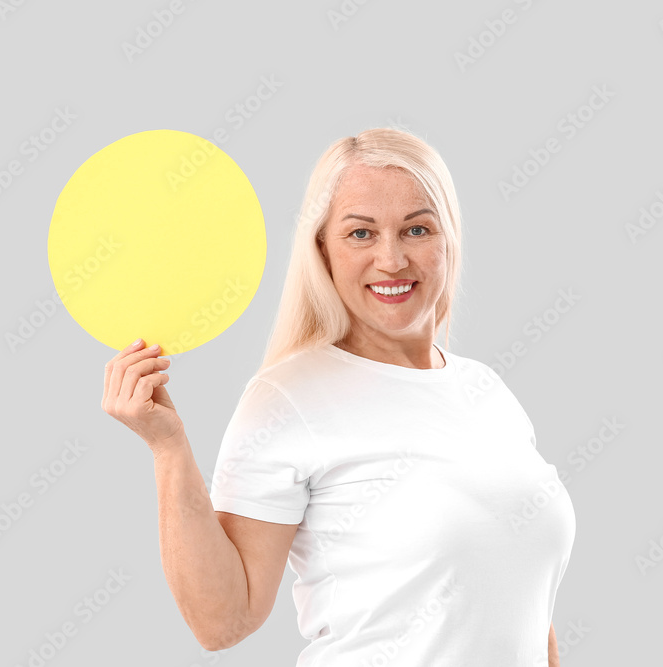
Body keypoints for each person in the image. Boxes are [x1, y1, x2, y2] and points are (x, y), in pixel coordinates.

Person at [102, 127, 576, 666]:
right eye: (360, 234)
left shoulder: (487, 392)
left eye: (417, 229)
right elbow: (223, 621)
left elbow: (524, 607)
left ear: (449, 239)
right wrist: (168, 449)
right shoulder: (287, 399)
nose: (392, 259)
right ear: (322, 248)